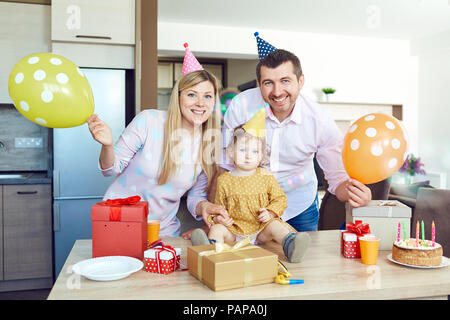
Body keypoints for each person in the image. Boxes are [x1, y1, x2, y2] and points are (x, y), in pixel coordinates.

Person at [185, 33, 371, 236]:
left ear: (301, 81)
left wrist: (355, 193)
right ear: (259, 83)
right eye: (268, 83)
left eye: (285, 81)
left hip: (298, 208)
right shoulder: (242, 105)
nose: (277, 91)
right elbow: (225, 167)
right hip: (247, 208)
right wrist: (212, 221)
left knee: (301, 263)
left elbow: (337, 180)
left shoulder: (319, 120)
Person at [87, 43, 228, 238]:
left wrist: (204, 206)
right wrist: (108, 145)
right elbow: (111, 169)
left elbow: (195, 197)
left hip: (163, 231)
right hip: (119, 222)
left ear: (214, 102)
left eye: (207, 96)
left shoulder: (209, 142)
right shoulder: (149, 121)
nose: (200, 103)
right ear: (178, 97)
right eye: (192, 94)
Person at [190, 115, 311, 263]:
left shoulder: (266, 177)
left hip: (261, 229)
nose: (248, 156)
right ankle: (209, 250)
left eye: (254, 152)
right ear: (231, 152)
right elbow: (219, 208)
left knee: (276, 226)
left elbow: (280, 199)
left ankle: (291, 244)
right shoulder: (224, 181)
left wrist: (271, 212)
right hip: (234, 230)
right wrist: (220, 218)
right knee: (217, 230)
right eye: (242, 150)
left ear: (262, 155)